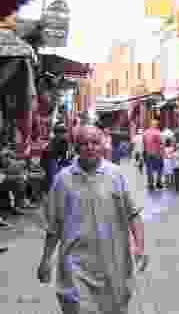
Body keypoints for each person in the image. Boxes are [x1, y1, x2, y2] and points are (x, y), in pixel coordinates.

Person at [37, 125, 148, 314]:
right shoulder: (63, 180)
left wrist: (139, 247)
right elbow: (54, 225)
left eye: (94, 143)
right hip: (75, 264)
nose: (90, 147)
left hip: (113, 263)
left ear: (102, 145)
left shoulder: (116, 175)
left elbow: (133, 214)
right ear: (76, 147)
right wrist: (46, 259)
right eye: (84, 143)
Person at [142, 120, 163, 190]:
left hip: (148, 153)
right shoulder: (157, 132)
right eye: (157, 125)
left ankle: (150, 184)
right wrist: (161, 153)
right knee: (159, 168)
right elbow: (160, 144)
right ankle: (158, 182)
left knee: (149, 168)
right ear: (156, 125)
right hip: (156, 153)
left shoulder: (145, 133)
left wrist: (144, 152)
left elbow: (144, 144)